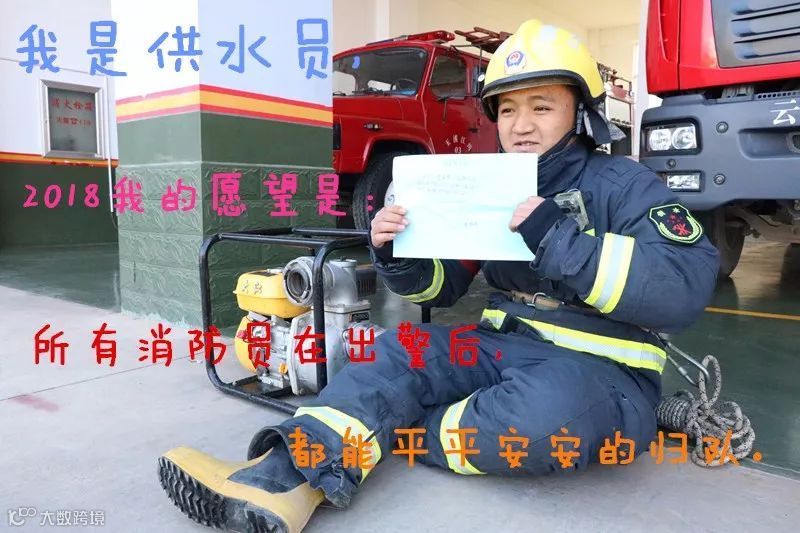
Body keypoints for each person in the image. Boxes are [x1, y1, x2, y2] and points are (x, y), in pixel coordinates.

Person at [157, 19, 720, 533]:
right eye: (507, 110)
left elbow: (683, 286)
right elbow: (441, 287)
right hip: (501, 344)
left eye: (542, 107)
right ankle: (277, 481)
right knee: (393, 352)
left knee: (542, 421)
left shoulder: (626, 185)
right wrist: (398, 253)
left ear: (582, 113)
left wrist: (557, 238)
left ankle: (375, 435)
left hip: (604, 370)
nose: (521, 126)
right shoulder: (492, 185)